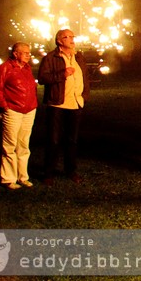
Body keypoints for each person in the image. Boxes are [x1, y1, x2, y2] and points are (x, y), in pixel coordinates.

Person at [38, 29, 91, 185]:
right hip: (57, 104)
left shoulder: (78, 57)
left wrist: (84, 96)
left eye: (72, 36)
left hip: (76, 103)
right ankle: (48, 172)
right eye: (67, 37)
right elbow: (42, 78)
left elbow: (85, 77)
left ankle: (71, 170)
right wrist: (62, 74)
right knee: (54, 140)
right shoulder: (51, 57)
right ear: (59, 41)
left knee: (72, 140)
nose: (71, 39)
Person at [0, 42, 38, 189]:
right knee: (10, 145)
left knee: (23, 144)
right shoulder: (5, 68)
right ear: (15, 54)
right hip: (13, 110)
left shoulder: (26, 68)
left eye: (29, 52)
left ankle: (22, 176)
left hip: (29, 110)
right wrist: (3, 106)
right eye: (25, 52)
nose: (28, 55)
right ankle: (8, 178)